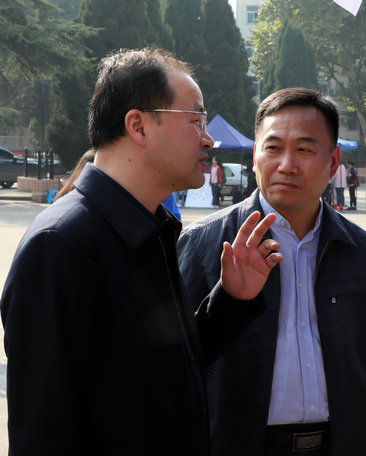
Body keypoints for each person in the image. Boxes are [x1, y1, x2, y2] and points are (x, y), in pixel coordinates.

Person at [0, 48, 283, 455]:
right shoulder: (62, 244)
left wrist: (231, 300)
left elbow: (164, 371)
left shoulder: (149, 228)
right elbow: (43, 430)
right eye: (196, 121)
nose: (208, 138)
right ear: (138, 126)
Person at [177, 87, 366, 456]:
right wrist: (228, 299)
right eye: (273, 148)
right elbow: (178, 368)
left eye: (305, 150)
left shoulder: (360, 250)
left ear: (334, 160)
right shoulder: (204, 244)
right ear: (255, 155)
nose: (287, 165)